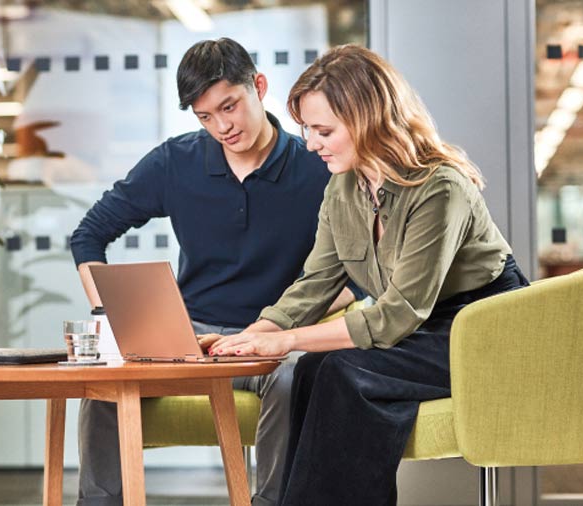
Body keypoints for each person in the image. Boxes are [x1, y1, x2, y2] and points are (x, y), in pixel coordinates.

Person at [206, 45, 530, 506]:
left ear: (369, 120)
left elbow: (397, 314)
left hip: (479, 329)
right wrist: (254, 335)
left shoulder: (440, 188)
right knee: (313, 368)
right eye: (308, 131)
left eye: (324, 131)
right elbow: (316, 281)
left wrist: (288, 341)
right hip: (423, 328)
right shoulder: (343, 187)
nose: (312, 144)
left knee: (340, 370)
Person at [69, 38, 355, 506]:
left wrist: (287, 321)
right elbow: (89, 235)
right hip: (187, 341)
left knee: (292, 378)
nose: (222, 126)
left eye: (230, 106)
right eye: (205, 116)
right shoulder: (175, 162)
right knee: (106, 381)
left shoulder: (318, 164)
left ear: (258, 87)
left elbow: (357, 279)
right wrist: (106, 309)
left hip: (271, 340)